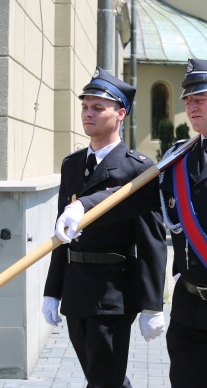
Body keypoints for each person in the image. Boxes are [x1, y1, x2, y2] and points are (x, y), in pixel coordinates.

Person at [55, 58, 207, 388]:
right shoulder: (179, 157)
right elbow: (132, 195)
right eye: (187, 100)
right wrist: (82, 208)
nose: (191, 106)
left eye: (200, 99)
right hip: (194, 312)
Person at [43, 67, 168, 387]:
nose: (88, 113)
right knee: (103, 377)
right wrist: (52, 290)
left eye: (98, 107)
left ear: (121, 113)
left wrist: (153, 304)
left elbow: (152, 239)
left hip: (113, 292)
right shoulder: (72, 164)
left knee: (102, 380)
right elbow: (62, 233)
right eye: (85, 106)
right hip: (75, 289)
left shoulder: (136, 169)